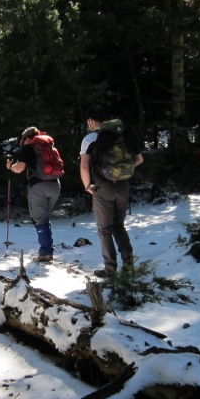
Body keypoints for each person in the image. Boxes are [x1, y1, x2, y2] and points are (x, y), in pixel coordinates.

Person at [79, 112, 143, 277]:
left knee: (105, 229)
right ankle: (129, 266)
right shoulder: (125, 133)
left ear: (91, 120)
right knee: (119, 226)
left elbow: (84, 166)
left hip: (103, 186)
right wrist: (122, 173)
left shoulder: (91, 138)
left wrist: (87, 185)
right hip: (123, 185)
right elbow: (139, 159)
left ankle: (110, 269)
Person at [6, 126, 61, 262]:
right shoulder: (49, 147)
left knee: (39, 220)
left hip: (38, 186)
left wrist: (10, 167)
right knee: (44, 218)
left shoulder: (29, 147)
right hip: (55, 185)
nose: (22, 143)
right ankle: (47, 250)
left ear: (28, 138)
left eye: (23, 140)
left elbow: (20, 168)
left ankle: (45, 253)